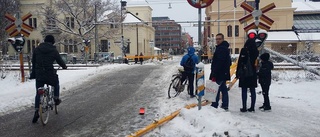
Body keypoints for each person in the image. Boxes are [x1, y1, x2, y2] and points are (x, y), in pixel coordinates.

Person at [30, 35, 67, 123]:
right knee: (56, 83)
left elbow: (33, 61)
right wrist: (64, 66)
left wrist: (34, 72)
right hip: (49, 73)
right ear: (53, 42)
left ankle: (36, 111)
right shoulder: (53, 50)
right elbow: (59, 60)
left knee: (38, 92)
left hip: (39, 74)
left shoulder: (37, 49)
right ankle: (56, 98)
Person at [209, 33, 232, 110]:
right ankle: (225, 105)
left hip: (219, 73)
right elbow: (229, 62)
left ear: (223, 39)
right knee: (223, 88)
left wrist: (214, 73)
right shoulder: (224, 48)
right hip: (223, 73)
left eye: (219, 39)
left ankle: (214, 105)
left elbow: (219, 62)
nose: (218, 40)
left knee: (216, 89)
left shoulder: (221, 49)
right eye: (217, 39)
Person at [236, 39, 259, 112]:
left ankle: (244, 107)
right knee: (252, 90)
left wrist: (237, 72)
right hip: (253, 72)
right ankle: (252, 107)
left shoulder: (243, 50)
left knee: (244, 89)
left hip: (244, 73)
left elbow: (240, 62)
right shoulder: (256, 51)